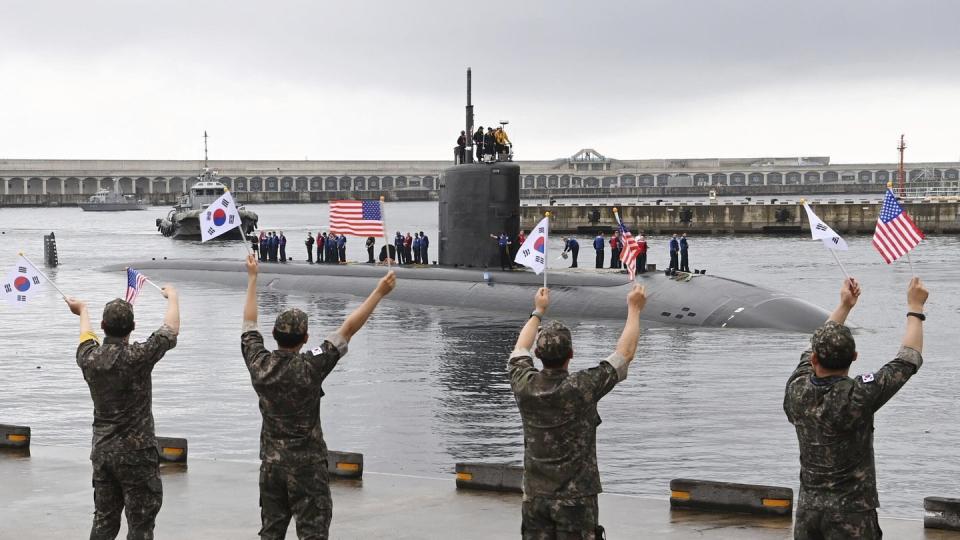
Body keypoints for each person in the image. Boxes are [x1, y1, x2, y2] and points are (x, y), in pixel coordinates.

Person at [241, 254, 396, 540]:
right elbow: (347, 329)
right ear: (305, 338)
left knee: (271, 533)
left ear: (274, 335)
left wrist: (252, 278)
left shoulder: (258, 364)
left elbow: (249, 325)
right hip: (307, 469)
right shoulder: (311, 364)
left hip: (272, 466)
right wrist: (380, 292)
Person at [785, 277, 928, 540]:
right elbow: (908, 359)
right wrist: (915, 307)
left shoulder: (797, 389)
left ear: (815, 359)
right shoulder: (858, 396)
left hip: (809, 512)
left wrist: (844, 306)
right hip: (853, 514)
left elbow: (810, 348)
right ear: (854, 357)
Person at [508, 284, 645, 539]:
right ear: (570, 354)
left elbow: (519, 349)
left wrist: (538, 311)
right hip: (576, 502)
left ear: (538, 355)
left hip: (535, 499)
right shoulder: (582, 387)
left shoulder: (524, 385)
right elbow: (625, 354)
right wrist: (634, 309)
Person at [67, 287, 180, 540]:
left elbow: (86, 337)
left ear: (103, 325)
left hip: (103, 452)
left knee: (104, 521)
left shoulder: (89, 358)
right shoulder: (137, 356)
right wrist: (173, 297)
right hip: (137, 456)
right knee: (140, 525)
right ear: (133, 327)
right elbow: (170, 329)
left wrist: (82, 310)